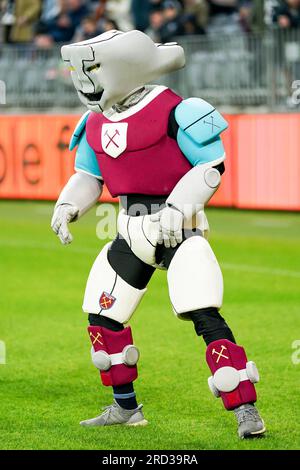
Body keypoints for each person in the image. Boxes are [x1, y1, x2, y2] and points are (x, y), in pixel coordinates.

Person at [51, 29, 266, 438]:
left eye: (92, 68)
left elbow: (210, 167)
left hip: (178, 228)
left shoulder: (178, 110)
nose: (86, 80)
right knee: (103, 317)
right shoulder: (94, 122)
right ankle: (125, 408)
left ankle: (245, 409)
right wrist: (68, 205)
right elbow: (88, 175)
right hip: (129, 229)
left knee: (202, 311)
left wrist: (179, 206)